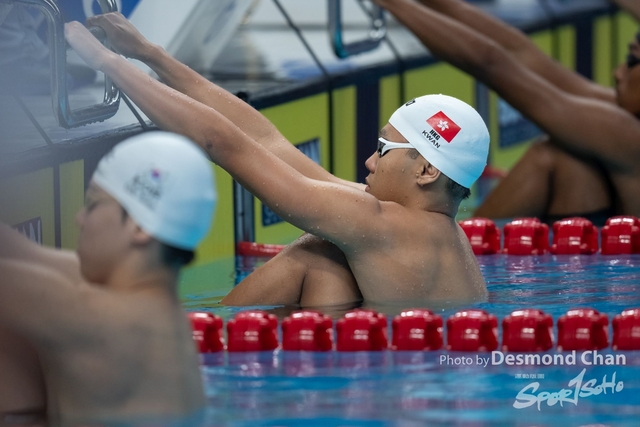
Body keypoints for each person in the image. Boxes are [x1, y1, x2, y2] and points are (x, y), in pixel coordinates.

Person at [65, 13, 490, 309]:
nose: (368, 161)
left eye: (382, 149)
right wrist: (150, 54)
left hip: (386, 390)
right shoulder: (437, 235)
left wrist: (108, 63)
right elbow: (268, 142)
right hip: (410, 379)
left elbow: (222, 144)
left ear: (426, 171)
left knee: (314, 252)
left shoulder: (375, 223)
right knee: (326, 264)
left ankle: (195, 342)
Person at [0, 132, 216, 423]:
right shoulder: (157, 316)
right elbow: (23, 253)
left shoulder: (100, 321)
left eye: (92, 203)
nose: (80, 218)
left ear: (139, 227)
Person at [371, 0, 640, 226]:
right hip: (610, 265)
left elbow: (491, 63)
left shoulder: (628, 136)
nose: (617, 72)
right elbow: (516, 49)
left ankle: (454, 250)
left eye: (631, 61)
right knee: (570, 158)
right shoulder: (620, 127)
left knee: (553, 156)